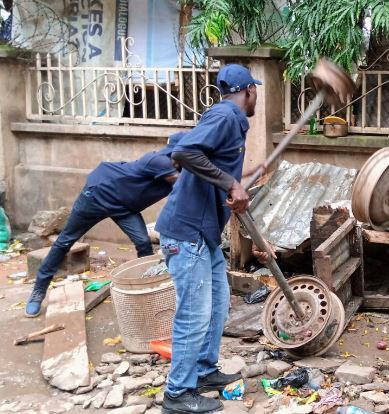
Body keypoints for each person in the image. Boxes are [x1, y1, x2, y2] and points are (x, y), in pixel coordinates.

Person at [156, 64, 266, 414]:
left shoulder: (226, 118)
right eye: (256, 90)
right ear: (248, 90)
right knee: (194, 314)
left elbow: (197, 155)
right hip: (186, 235)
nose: (256, 96)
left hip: (203, 235)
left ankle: (203, 372)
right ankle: (177, 394)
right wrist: (231, 183)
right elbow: (184, 152)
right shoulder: (226, 115)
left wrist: (232, 184)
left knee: (218, 305)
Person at [24, 135, 182, 318]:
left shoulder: (181, 167)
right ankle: (38, 290)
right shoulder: (159, 161)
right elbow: (182, 183)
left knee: (143, 243)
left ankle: (147, 289)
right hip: (97, 195)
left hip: (124, 208)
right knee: (65, 241)